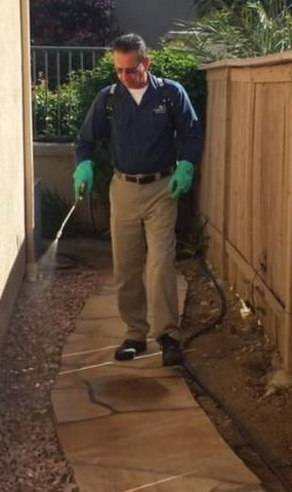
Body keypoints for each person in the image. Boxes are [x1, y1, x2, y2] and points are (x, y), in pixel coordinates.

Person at [73, 34, 203, 366]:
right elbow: (86, 141)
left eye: (130, 69)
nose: (124, 76)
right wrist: (84, 166)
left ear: (146, 63)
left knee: (160, 262)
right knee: (127, 265)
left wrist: (186, 166)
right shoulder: (109, 99)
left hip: (162, 188)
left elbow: (190, 133)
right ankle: (134, 334)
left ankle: (167, 336)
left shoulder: (170, 94)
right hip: (124, 188)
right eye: (118, 70)